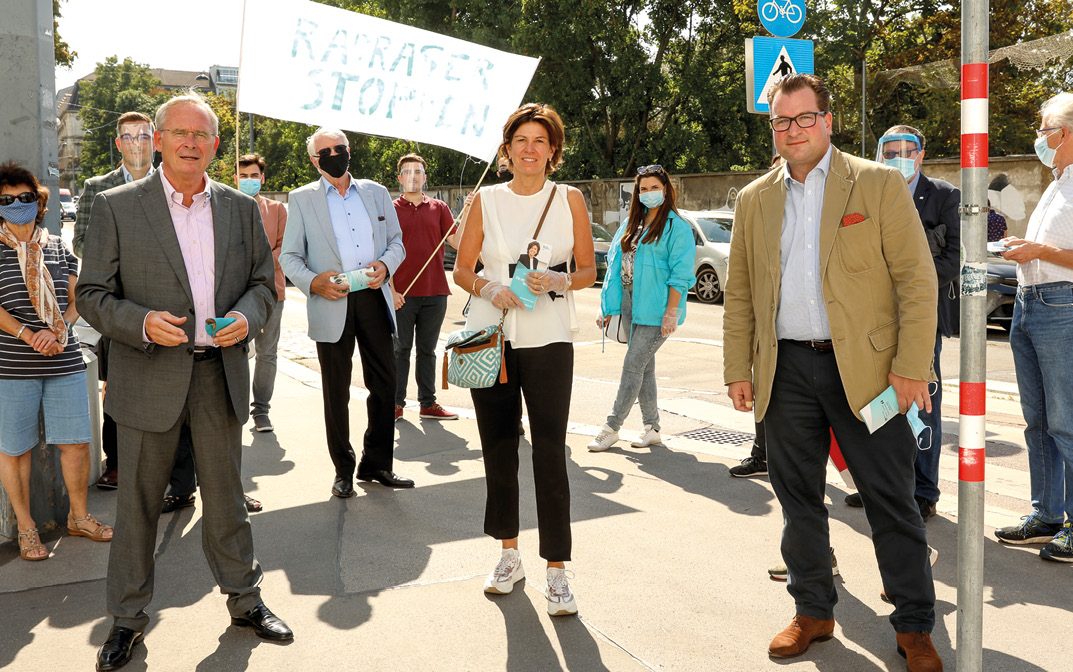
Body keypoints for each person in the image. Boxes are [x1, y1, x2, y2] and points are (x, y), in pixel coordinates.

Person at [722, 74, 942, 670]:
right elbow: (740, 293)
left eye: (803, 118)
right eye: (780, 121)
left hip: (867, 371)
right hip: (786, 366)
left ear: (827, 119)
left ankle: (915, 624)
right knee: (797, 499)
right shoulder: (753, 198)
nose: (792, 131)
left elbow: (917, 282)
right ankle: (814, 609)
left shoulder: (874, 185)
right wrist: (737, 367)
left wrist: (909, 367)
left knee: (890, 501)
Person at [78, 93, 292, 671]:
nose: (190, 143)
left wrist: (248, 317)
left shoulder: (240, 210)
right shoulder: (118, 206)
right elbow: (91, 295)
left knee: (227, 503)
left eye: (202, 135)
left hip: (218, 377)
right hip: (148, 377)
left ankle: (246, 602)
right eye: (179, 133)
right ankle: (126, 620)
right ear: (158, 140)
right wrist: (141, 323)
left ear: (215, 145)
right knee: (139, 508)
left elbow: (264, 286)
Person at [452, 103, 596, 616]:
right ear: (506, 149)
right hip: (491, 336)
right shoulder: (485, 200)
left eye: (540, 140)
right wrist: (491, 285)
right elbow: (462, 271)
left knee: (550, 451)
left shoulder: (570, 198)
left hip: (549, 337)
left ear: (552, 150)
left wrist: (558, 280)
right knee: (497, 447)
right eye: (521, 140)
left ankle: (557, 569)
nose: (530, 149)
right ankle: (508, 555)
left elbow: (587, 271)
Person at [280, 128, 414, 498]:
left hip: (373, 297)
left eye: (340, 148)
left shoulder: (376, 192)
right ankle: (343, 469)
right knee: (336, 390)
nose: (334, 154)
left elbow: (397, 242)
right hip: (331, 301)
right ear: (314, 159)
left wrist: (386, 267)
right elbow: (289, 257)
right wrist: (313, 282)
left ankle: (378, 465)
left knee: (384, 384)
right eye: (326, 151)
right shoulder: (302, 199)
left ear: (349, 150)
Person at [845, 126, 960, 522]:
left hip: (919, 320)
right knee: (876, 404)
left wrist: (907, 282)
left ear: (920, 155)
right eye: (888, 150)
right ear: (877, 154)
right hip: (872, 320)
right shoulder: (866, 191)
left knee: (922, 405)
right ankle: (882, 487)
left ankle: (924, 490)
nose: (896, 156)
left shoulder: (944, 196)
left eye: (905, 151)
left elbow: (953, 260)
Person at [0, 162, 113, 562]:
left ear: (38, 200)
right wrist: (30, 334)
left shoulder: (54, 245)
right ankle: (27, 528)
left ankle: (79, 517)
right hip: (12, 364)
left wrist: (60, 327)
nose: (17, 204)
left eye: (25, 197)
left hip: (62, 359)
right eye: (7, 199)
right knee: (16, 450)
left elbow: (77, 293)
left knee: (76, 444)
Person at [994, 91, 1073, 563]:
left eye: (1043, 129)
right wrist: (1027, 247)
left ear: (1066, 133)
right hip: (1030, 301)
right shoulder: (1057, 180)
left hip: (1061, 304)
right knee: (1038, 421)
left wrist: (1038, 252)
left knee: (1066, 421)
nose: (1038, 137)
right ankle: (1046, 515)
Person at [73, 110, 157, 490]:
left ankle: (176, 473)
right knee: (118, 385)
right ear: (119, 142)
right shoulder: (97, 187)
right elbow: (79, 242)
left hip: (166, 299)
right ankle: (118, 462)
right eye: (129, 136)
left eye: (144, 135)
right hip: (118, 307)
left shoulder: (171, 182)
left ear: (154, 140)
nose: (137, 142)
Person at [588, 164, 695, 451]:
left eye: (654, 188)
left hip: (657, 307)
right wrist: (607, 307)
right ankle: (652, 427)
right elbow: (613, 268)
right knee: (644, 366)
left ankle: (611, 427)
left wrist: (671, 312)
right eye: (643, 189)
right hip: (628, 301)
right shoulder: (631, 224)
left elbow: (681, 275)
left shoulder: (677, 227)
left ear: (666, 190)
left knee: (633, 364)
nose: (649, 193)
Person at [390, 153, 459, 422]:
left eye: (418, 172)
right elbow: (382, 252)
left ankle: (427, 403)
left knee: (427, 351)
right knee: (400, 350)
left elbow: (457, 241)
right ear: (400, 178)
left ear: (425, 178)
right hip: (402, 295)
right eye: (407, 172)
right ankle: (395, 404)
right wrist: (391, 291)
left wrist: (473, 213)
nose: (413, 176)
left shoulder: (439, 207)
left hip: (435, 292)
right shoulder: (390, 209)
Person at [237, 153, 288, 434]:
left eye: (253, 175)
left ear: (262, 178)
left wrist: (260, 268)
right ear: (236, 179)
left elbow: (285, 245)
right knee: (236, 352)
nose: (248, 180)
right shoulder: (226, 206)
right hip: (234, 294)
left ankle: (261, 411)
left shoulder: (278, 210)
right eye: (243, 176)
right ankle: (235, 408)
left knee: (267, 353)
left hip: (272, 292)